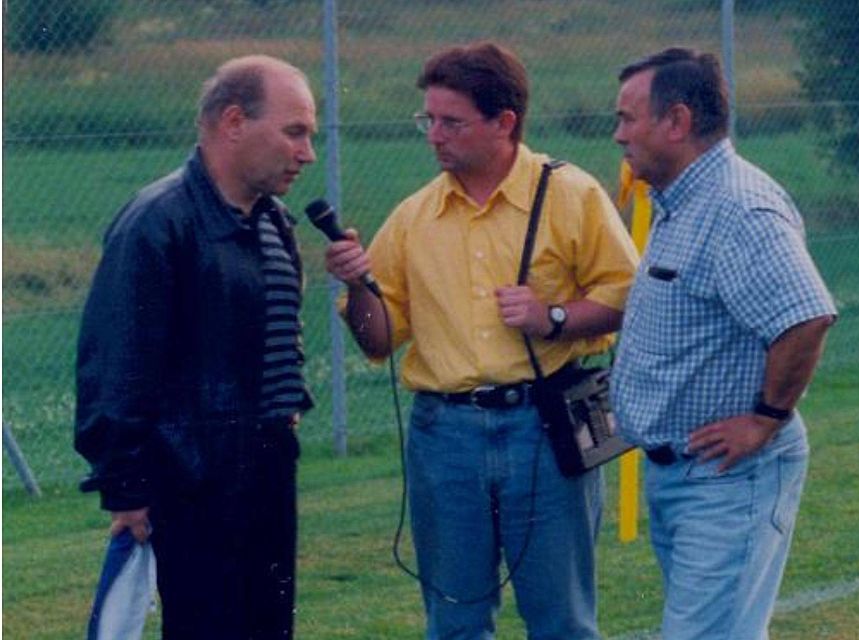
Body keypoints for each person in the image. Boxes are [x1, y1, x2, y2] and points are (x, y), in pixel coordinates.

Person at [325, 41, 638, 639]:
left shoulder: (570, 195)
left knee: (562, 619)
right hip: (444, 436)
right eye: (429, 120)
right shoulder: (414, 217)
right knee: (455, 620)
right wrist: (358, 286)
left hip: (544, 427)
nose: (434, 136)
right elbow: (378, 340)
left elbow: (628, 297)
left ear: (504, 123)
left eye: (451, 122)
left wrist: (552, 318)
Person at [75, 54, 317, 639]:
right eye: (295, 132)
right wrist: (126, 487)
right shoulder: (158, 223)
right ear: (234, 121)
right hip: (192, 478)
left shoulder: (274, 222)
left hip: (266, 469)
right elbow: (118, 362)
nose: (307, 152)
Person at [610, 47, 837, 639]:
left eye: (628, 119)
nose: (618, 136)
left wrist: (764, 419)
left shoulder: (737, 207)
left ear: (677, 121)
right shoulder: (679, 201)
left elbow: (806, 315)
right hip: (683, 473)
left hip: (727, 476)